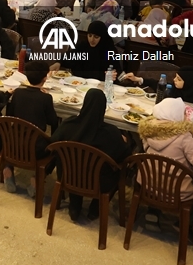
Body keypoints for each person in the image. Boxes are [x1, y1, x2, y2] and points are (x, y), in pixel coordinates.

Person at [49, 89, 133, 222]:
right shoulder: (110, 133)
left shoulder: (68, 124)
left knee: (75, 166)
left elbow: (53, 143)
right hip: (99, 182)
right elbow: (124, 155)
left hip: (68, 176)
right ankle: (96, 207)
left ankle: (74, 205)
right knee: (119, 171)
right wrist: (125, 141)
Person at [140, 98, 193, 203]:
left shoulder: (148, 131)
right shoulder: (183, 137)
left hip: (149, 184)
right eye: (184, 113)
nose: (187, 116)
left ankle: (154, 211)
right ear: (176, 116)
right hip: (178, 192)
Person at [3, 60, 60, 194]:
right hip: (36, 149)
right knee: (57, 150)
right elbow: (53, 122)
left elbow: (9, 114)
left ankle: (8, 167)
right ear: (45, 78)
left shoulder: (17, 93)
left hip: (12, 144)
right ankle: (38, 176)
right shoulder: (46, 98)